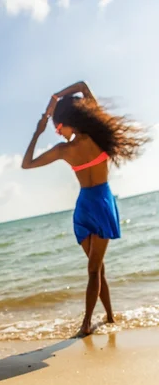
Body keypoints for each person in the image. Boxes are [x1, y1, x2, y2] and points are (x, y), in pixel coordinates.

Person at [21, 81, 150, 336]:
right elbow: (27, 164)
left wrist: (56, 96)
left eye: (58, 126)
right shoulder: (63, 150)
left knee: (93, 268)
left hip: (101, 204)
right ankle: (110, 317)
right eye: (54, 127)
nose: (57, 131)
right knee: (97, 268)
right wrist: (40, 128)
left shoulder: (98, 135)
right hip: (84, 208)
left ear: (70, 119)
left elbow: (82, 86)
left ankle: (86, 324)